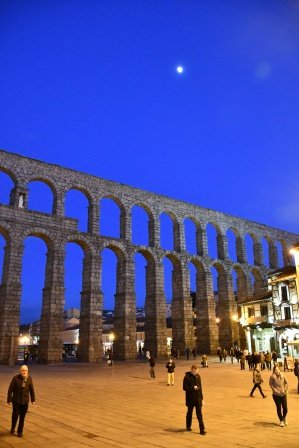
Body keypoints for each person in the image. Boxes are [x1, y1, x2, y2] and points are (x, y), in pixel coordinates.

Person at [7, 365, 35, 438]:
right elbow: (10, 389)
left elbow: (32, 390)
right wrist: (9, 399)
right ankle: (13, 427)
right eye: (22, 370)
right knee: (15, 416)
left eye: (25, 370)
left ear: (27, 371)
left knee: (22, 417)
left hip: (25, 402)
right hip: (16, 401)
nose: (24, 372)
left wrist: (33, 399)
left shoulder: (29, 378)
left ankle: (20, 431)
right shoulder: (15, 378)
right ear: (20, 371)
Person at [183, 364, 206, 435]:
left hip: (198, 398)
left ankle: (202, 429)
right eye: (194, 371)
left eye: (196, 371)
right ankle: (188, 426)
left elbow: (200, 388)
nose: (196, 372)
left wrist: (202, 398)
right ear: (192, 370)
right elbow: (184, 387)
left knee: (199, 414)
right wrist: (193, 388)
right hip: (190, 398)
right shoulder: (187, 377)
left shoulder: (198, 376)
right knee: (189, 412)